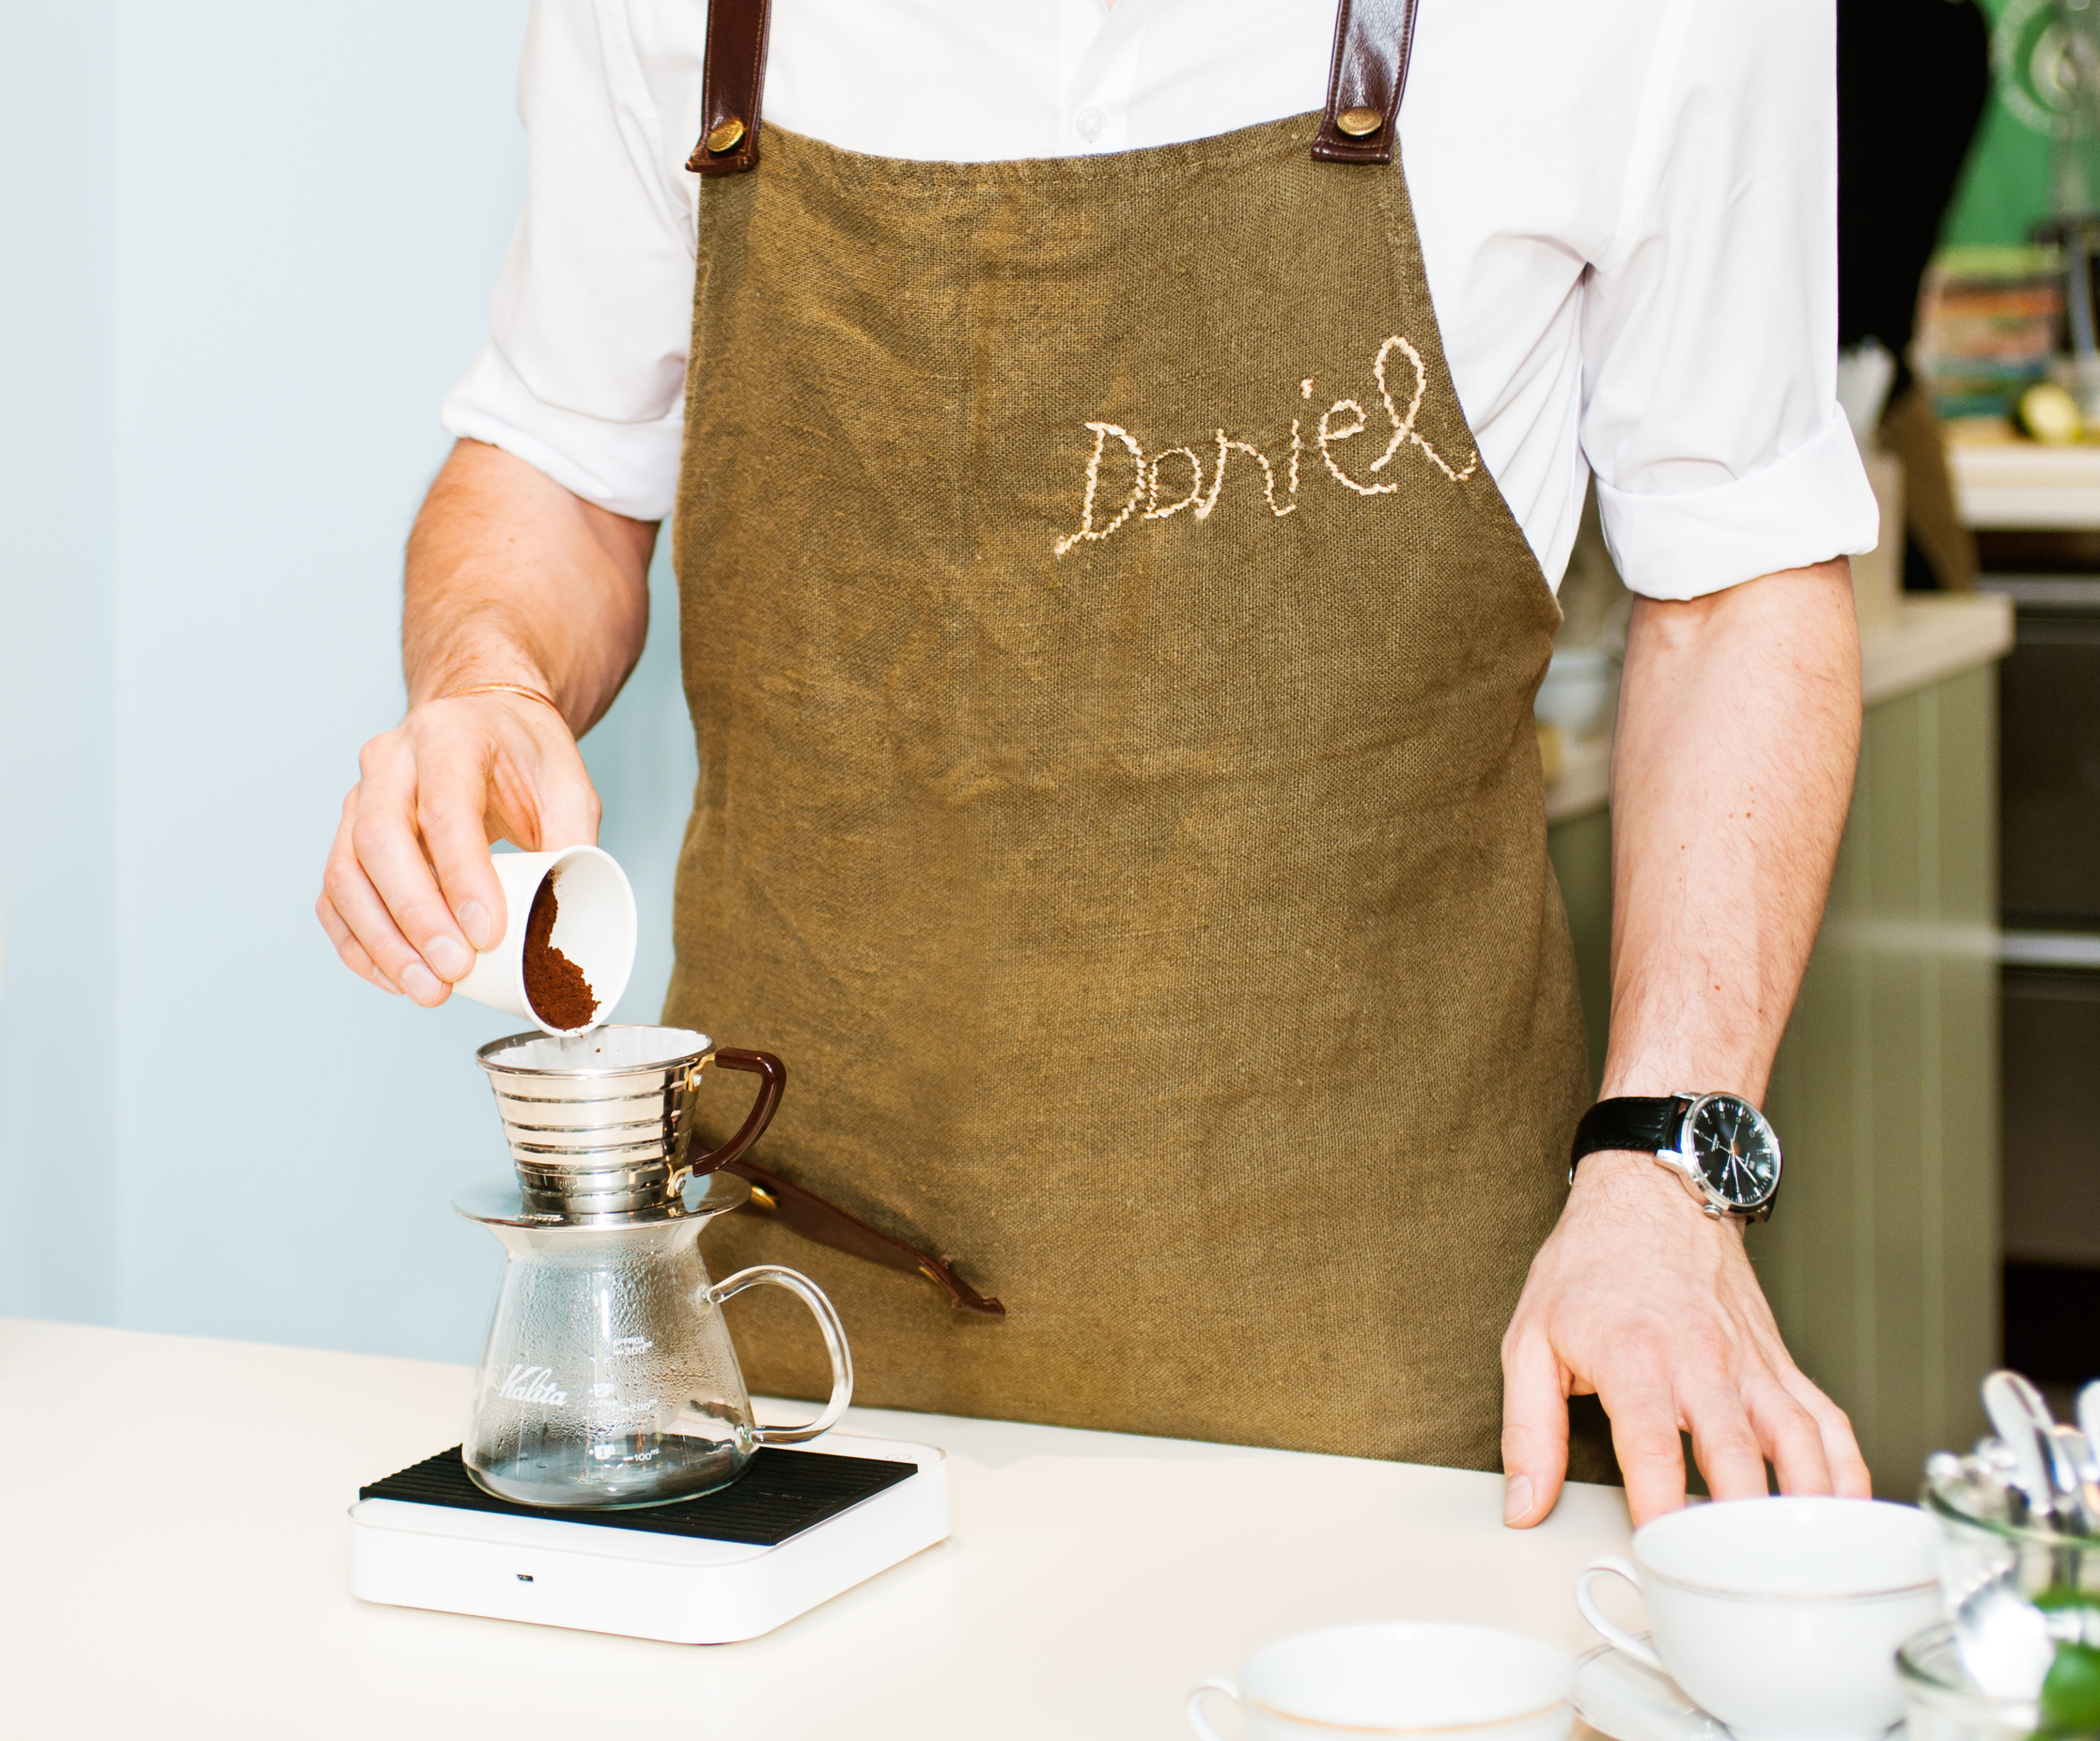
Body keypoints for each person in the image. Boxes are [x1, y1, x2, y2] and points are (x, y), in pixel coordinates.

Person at [319, 0, 1877, 1527]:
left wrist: (1670, 1167)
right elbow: (562, 457)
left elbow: (1738, 572)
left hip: (1397, 1393)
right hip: (790, 1370)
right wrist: (483, 677)